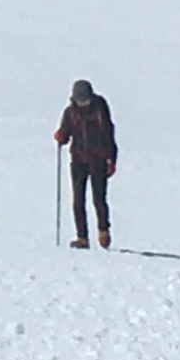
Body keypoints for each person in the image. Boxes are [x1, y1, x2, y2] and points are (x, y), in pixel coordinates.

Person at [55, 79, 119, 250]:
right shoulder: (70, 113)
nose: (83, 103)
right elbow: (65, 134)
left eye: (85, 99)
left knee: (99, 198)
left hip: (98, 159)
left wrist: (111, 159)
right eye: (79, 99)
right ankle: (82, 237)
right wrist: (61, 136)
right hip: (78, 160)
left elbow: (108, 134)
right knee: (78, 200)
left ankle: (103, 231)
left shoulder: (100, 109)